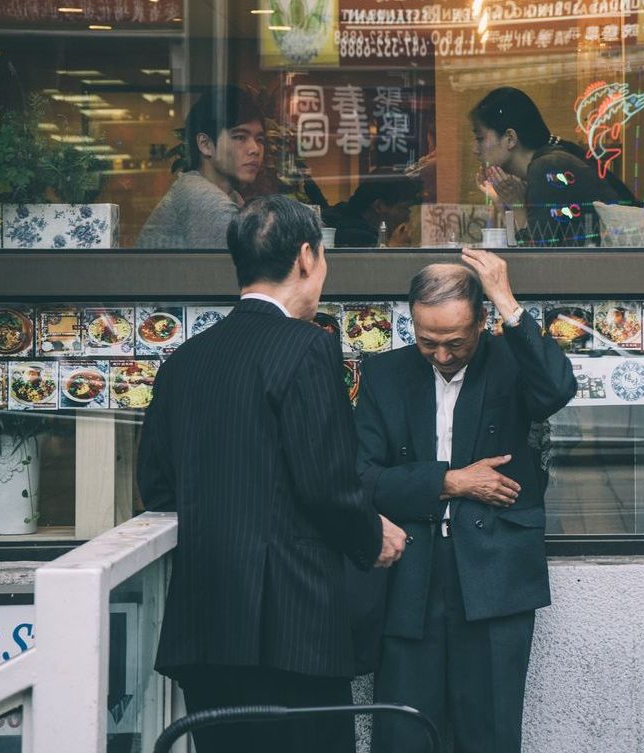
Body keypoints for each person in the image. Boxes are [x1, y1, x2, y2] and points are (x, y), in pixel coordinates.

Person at [137, 195, 407, 753]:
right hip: (294, 626)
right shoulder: (306, 346)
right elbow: (326, 482)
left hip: (204, 624)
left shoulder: (183, 360)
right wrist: (372, 535)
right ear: (307, 257)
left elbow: (158, 488)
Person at [355, 249, 576, 753]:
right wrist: (450, 482)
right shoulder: (385, 374)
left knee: (492, 733)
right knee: (403, 732)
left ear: (481, 321)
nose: (442, 354)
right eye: (427, 340)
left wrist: (506, 300)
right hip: (409, 575)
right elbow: (363, 478)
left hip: (496, 575)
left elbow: (558, 388)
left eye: (455, 341)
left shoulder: (510, 362)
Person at [469, 86, 637, 246]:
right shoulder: (547, 166)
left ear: (510, 138)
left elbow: (535, 257)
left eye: (480, 138)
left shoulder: (547, 169)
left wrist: (518, 207)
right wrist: (501, 200)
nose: (475, 150)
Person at [136, 86, 265, 249]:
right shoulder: (203, 198)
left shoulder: (228, 195)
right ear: (205, 145)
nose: (255, 149)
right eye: (240, 137)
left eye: (260, 139)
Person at [322, 177, 422, 247]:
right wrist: (393, 247)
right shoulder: (359, 238)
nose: (408, 216)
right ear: (379, 206)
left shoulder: (343, 222)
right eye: (404, 208)